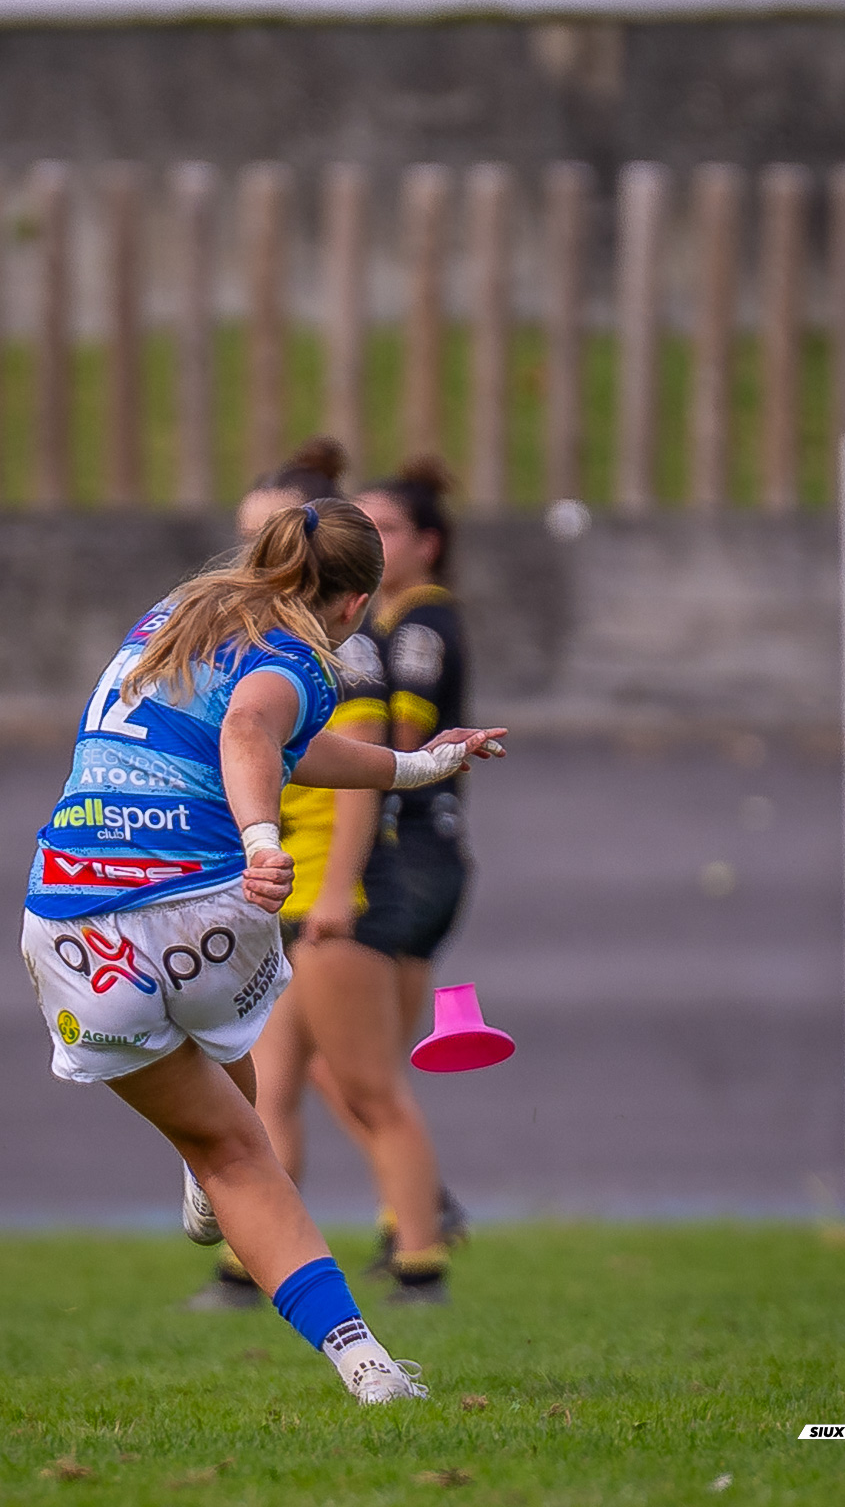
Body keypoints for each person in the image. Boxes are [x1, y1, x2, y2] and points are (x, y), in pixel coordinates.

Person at [20, 498, 506, 1403]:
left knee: (223, 1127)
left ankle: (206, 1174)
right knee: (244, 1142)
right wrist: (259, 839)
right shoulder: (306, 655)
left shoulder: (171, 618)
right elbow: (254, 729)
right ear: (355, 603)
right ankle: (368, 1366)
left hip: (67, 921)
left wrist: (414, 766)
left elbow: (277, 740)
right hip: (200, 904)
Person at [193, 441, 452, 1311]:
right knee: (267, 1093)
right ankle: (246, 1269)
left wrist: (336, 890)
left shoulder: (339, 656)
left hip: (330, 899)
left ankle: (421, 1260)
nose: (245, 562)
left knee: (369, 1088)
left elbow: (358, 774)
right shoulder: (279, 644)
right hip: (281, 897)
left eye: (258, 542)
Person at [313, 457, 473, 1277]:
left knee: (363, 1070)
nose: (369, 543)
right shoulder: (391, 627)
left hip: (405, 858)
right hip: (418, 856)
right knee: (350, 1061)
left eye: (385, 530)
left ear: (428, 543)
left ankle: (417, 1221)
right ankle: (407, 1210)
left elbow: (392, 753)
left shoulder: (410, 631)